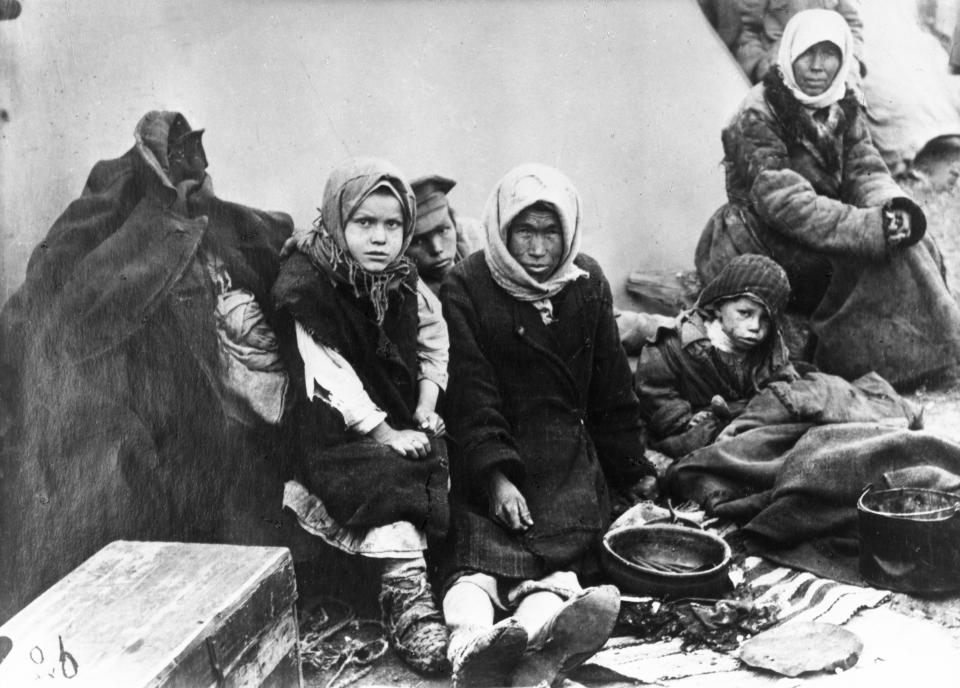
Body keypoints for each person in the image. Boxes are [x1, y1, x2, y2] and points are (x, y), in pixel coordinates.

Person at [0, 111, 293, 622]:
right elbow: (50, 290)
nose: (195, 169)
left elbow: (272, 242)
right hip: (143, 404)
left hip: (225, 404)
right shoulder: (116, 201)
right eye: (178, 156)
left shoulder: (224, 223)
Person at [438, 163, 657, 688]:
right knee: (476, 566)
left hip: (565, 462)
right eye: (525, 232)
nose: (537, 249)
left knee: (557, 574)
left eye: (549, 232)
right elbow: (469, 393)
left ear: (569, 231)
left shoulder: (587, 283)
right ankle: (469, 646)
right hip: (494, 455)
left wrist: (633, 473)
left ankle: (529, 645)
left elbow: (611, 390)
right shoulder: (467, 285)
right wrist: (495, 478)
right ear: (502, 230)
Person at [696, 9, 960, 388]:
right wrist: (868, 227)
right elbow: (785, 203)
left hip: (823, 222)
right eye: (808, 54)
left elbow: (865, 170)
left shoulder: (842, 103)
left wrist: (893, 208)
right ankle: (857, 362)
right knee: (863, 252)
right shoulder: (758, 112)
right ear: (788, 53)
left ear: (843, 57)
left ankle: (928, 354)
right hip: (760, 236)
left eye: (829, 54)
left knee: (912, 241)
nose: (818, 67)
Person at [271, 158, 452, 674]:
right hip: (332, 428)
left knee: (435, 454)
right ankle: (408, 604)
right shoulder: (307, 282)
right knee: (389, 472)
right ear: (337, 221)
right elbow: (330, 378)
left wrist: (424, 405)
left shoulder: (402, 278)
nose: (380, 238)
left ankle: (439, 596)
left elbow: (433, 337)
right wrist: (386, 432)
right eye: (364, 224)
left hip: (393, 413)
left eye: (392, 225)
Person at [635, 255, 798, 459]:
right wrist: (684, 420)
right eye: (745, 313)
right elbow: (654, 389)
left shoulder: (770, 350)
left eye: (765, 319)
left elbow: (783, 381)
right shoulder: (676, 345)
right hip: (692, 428)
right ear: (719, 307)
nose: (755, 327)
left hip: (746, 423)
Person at [407, 174, 484, 294]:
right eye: (418, 241)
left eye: (443, 230)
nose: (437, 249)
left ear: (455, 225)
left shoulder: (478, 242)